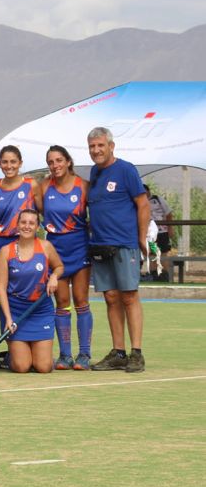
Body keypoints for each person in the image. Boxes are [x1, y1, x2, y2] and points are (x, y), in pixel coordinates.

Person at [87, 127, 150, 373]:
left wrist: (141, 238)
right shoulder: (94, 172)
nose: (96, 150)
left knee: (129, 296)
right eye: (92, 146)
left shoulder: (126, 169)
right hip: (100, 245)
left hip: (125, 244)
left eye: (100, 145)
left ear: (111, 146)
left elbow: (143, 204)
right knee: (111, 298)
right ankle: (118, 352)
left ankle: (137, 353)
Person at [42, 145, 93, 370]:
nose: (56, 165)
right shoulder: (43, 187)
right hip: (56, 251)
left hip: (80, 247)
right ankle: (65, 355)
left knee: (81, 300)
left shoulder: (84, 186)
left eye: (59, 160)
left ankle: (84, 355)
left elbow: (99, 213)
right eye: (51, 162)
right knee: (62, 302)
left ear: (68, 161)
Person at [0, 209, 64, 373]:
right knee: (21, 367)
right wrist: (8, 318)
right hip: (15, 311)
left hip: (40, 310)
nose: (27, 226)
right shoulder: (6, 251)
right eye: (23, 222)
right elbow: (2, 289)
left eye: (31, 223)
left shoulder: (46, 247)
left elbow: (60, 266)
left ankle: (37, 354)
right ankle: (11, 356)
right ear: (17, 225)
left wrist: (54, 276)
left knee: (44, 367)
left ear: (37, 227)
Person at [0, 145, 42, 258]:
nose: (9, 166)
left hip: (26, 241)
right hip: (1, 241)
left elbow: (42, 212)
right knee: (1, 275)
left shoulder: (31, 185)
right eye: (5, 162)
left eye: (13, 162)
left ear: (20, 163)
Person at [145, 184, 174, 279]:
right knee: (153, 253)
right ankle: (153, 276)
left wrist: (170, 228)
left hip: (162, 233)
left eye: (145, 191)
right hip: (150, 234)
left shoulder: (158, 199)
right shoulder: (140, 202)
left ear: (148, 191)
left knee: (164, 253)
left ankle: (165, 276)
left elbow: (169, 214)